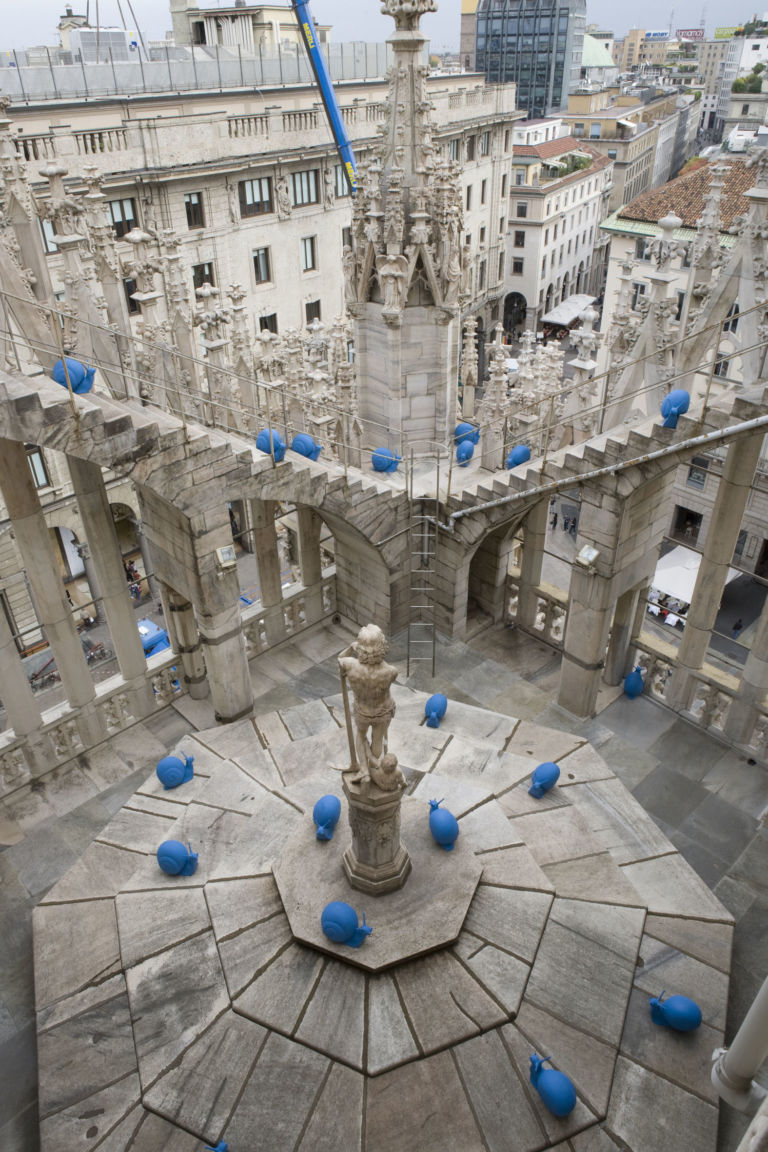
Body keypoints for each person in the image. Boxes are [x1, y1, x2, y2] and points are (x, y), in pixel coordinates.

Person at [338, 624, 398, 781]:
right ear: (382, 645)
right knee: (377, 740)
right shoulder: (391, 671)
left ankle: (364, 769)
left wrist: (351, 648)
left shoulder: (350, 665)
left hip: (362, 712)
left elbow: (339, 659)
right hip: (383, 712)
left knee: (360, 736)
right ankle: (372, 767)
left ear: (360, 646)